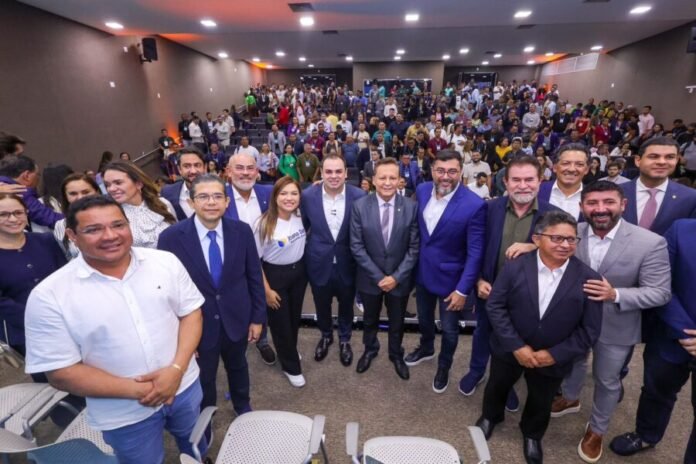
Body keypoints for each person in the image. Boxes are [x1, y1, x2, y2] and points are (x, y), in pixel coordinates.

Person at [24, 195, 206, 464]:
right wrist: (143, 390)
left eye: (118, 225)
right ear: (72, 236)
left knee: (195, 444)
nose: (110, 236)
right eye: (93, 229)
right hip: (123, 411)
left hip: (184, 386)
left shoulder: (165, 262)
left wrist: (176, 370)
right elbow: (61, 372)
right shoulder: (49, 296)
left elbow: (191, 313)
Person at [546, 181, 671, 463]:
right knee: (574, 363)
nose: (600, 209)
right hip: (572, 322)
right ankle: (570, 397)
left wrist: (615, 294)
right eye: (592, 203)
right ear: (582, 207)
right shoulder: (571, 233)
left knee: (606, 379)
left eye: (608, 202)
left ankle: (597, 430)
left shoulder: (650, 242)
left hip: (617, 323)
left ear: (623, 205)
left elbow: (660, 292)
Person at [475, 210, 603, 464]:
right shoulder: (514, 267)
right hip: (509, 348)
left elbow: (589, 330)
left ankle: (532, 434)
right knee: (497, 385)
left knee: (542, 398)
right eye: (557, 238)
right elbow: (496, 307)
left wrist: (554, 354)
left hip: (553, 357)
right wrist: (516, 346)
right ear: (536, 239)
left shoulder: (589, 278)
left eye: (571, 239)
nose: (565, 245)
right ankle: (490, 416)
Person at [158, 175, 265, 423]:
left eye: (217, 196)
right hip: (196, 325)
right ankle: (206, 417)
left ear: (227, 202)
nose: (211, 202)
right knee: (204, 376)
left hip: (236, 317)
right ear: (191, 202)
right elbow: (166, 291)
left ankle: (242, 404)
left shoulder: (242, 231)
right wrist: (177, 334)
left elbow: (254, 277)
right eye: (203, 197)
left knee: (238, 365)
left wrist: (257, 318)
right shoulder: (171, 238)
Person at [459, 156, 559, 409]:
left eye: (529, 179)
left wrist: (535, 246)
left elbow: (563, 256)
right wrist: (478, 280)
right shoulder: (489, 208)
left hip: (526, 299)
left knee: (512, 342)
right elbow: (476, 249)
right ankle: (476, 370)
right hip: (489, 291)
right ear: (505, 182)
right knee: (483, 333)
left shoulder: (554, 216)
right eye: (516, 179)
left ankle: (505, 384)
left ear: (540, 181)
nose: (523, 185)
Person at [609, 219, 696, 462]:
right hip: (671, 336)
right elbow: (659, 283)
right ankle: (646, 435)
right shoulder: (681, 230)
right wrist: (684, 331)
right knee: (656, 391)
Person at [405, 150, 486, 393]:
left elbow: (475, 253)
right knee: (424, 319)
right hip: (422, 274)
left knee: (450, 331)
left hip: (452, 282)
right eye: (440, 170)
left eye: (452, 171)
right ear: (432, 171)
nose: (446, 176)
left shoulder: (474, 205)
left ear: (461, 171)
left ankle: (444, 366)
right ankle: (426, 347)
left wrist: (462, 290)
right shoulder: (422, 190)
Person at [350, 158, 419, 379]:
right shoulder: (360, 206)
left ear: (400, 180)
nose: (387, 182)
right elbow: (356, 246)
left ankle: (396, 354)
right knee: (369, 319)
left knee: (397, 322)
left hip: (400, 280)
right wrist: (379, 277)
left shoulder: (411, 207)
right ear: (373, 180)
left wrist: (395, 278)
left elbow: (414, 248)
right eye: (382, 178)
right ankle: (370, 349)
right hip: (369, 279)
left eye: (392, 178)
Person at [301, 155, 366, 366]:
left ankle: (344, 339)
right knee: (321, 304)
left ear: (346, 173)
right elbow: (302, 227)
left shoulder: (360, 196)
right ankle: (326, 335)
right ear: (321, 173)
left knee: (346, 304)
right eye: (328, 171)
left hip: (349, 263)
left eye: (338, 171)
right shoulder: (307, 196)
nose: (334, 176)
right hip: (319, 263)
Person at [222, 153, 276, 365]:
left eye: (250, 168)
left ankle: (262, 341)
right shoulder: (220, 197)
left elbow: (295, 195)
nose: (245, 173)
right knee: (238, 304)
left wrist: (319, 185)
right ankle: (238, 345)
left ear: (257, 171)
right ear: (229, 171)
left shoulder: (267, 192)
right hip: (233, 265)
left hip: (264, 261)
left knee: (261, 302)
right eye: (239, 168)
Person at [256, 177, 308, 387]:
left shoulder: (300, 215)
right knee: (281, 324)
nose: (289, 198)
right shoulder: (263, 223)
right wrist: (267, 290)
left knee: (293, 318)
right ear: (275, 197)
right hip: (274, 276)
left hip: (299, 274)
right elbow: (254, 261)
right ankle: (291, 367)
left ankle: (289, 350)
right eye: (283, 193)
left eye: (294, 193)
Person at [0, 193, 67, 356]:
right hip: (22, 335)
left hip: (64, 323)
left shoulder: (47, 240)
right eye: (3, 214)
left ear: (27, 213)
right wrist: (37, 319)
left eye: (18, 212)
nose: (13, 219)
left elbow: (66, 277)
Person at [103, 161, 176, 248]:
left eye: (118, 183)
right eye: (107, 185)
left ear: (138, 183)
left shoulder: (163, 203)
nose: (111, 189)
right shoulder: (112, 216)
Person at [0, 155, 63, 228]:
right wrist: (72, 220)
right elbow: (48, 218)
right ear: (26, 176)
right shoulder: (19, 192)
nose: (38, 179)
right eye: (38, 175)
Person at [53, 173, 101, 259]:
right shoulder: (61, 225)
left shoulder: (116, 217)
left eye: (86, 192)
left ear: (96, 192)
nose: (80, 197)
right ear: (66, 197)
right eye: (73, 194)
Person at [538, 143, 589, 220]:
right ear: (555, 167)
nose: (571, 169)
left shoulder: (593, 196)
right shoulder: (537, 191)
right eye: (565, 163)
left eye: (579, 164)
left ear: (586, 169)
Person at [160, 148, 206, 221]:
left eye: (197, 165)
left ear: (205, 167)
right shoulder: (167, 193)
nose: (193, 171)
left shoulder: (221, 190)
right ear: (179, 169)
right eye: (187, 166)